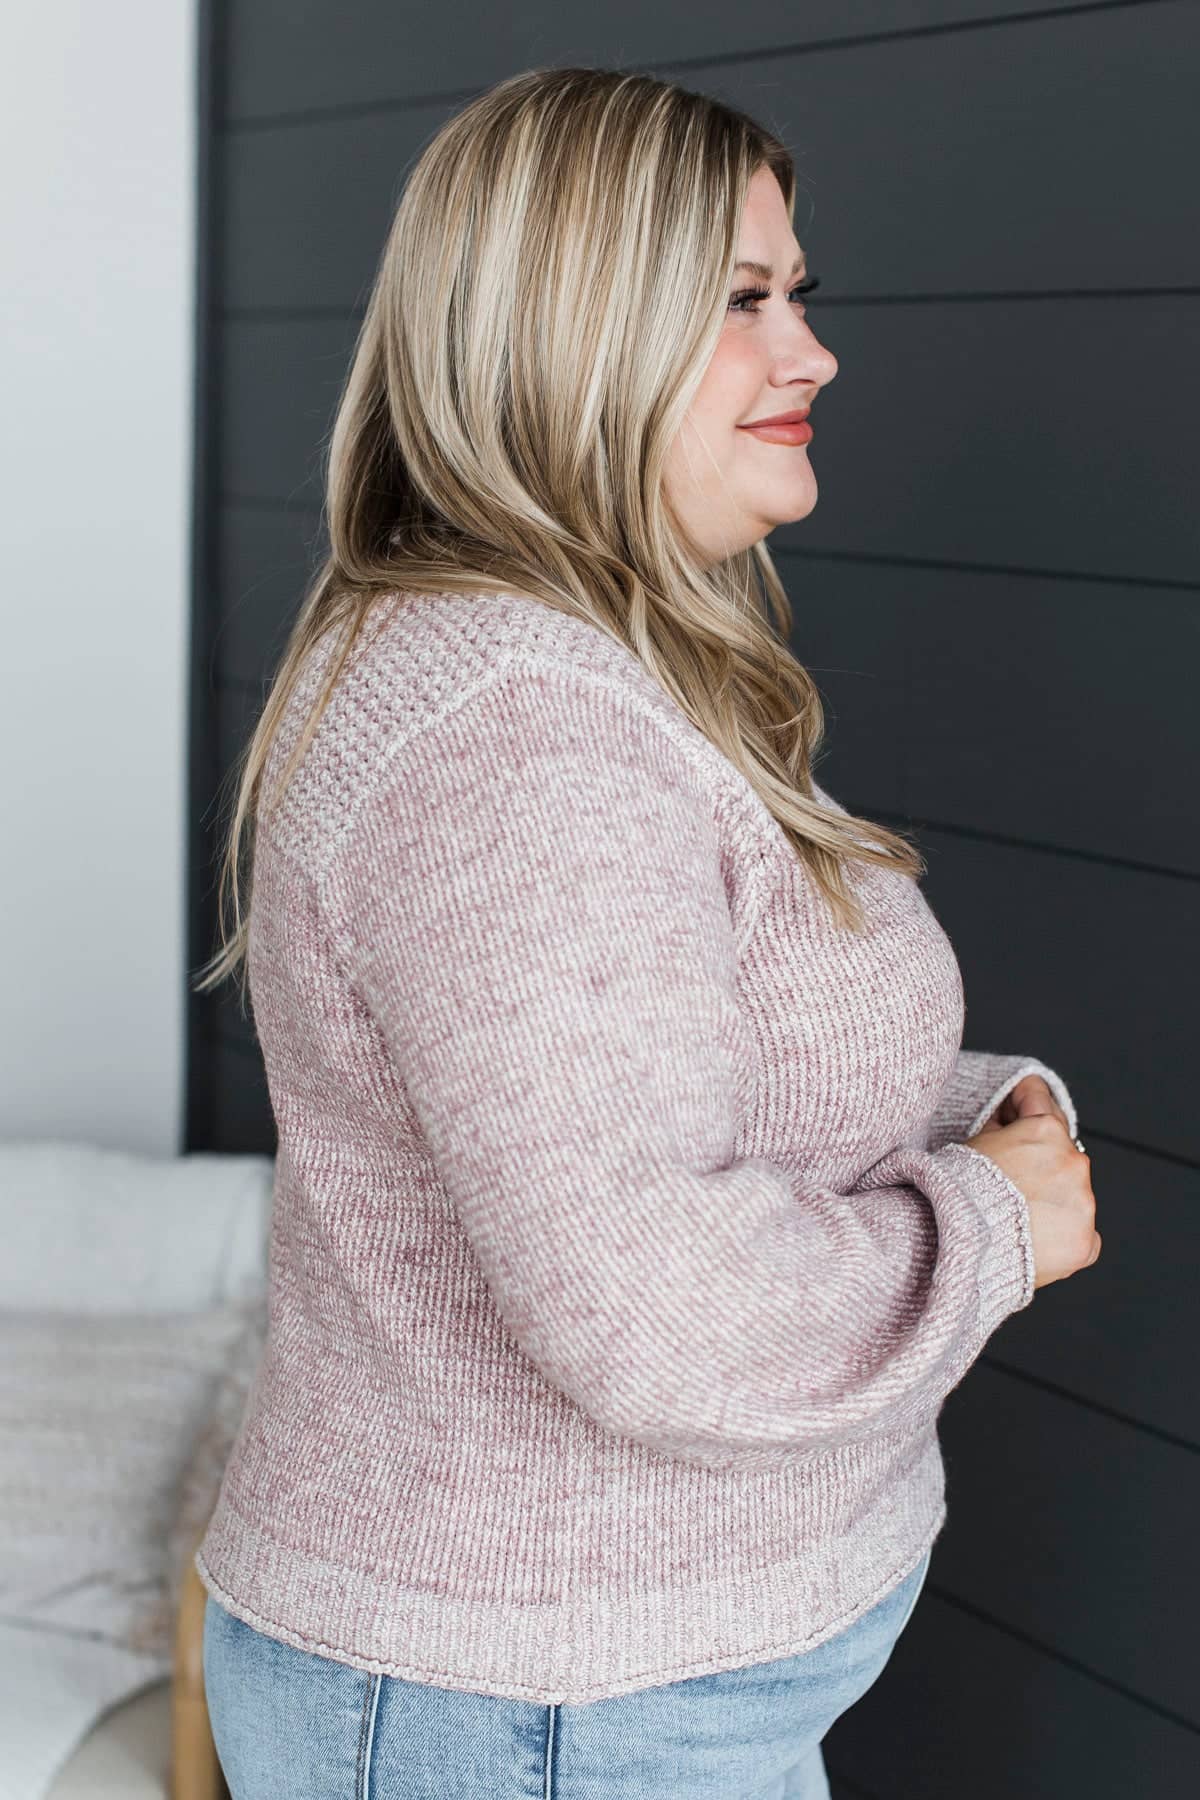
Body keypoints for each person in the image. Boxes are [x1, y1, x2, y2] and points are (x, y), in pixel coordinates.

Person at [192, 65, 1100, 1799]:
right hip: (538, 1713)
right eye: (744, 300)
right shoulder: (518, 729)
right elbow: (653, 1305)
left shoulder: (585, 663)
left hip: (603, 1698)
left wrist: (954, 1115)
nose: (812, 352)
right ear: (574, 329)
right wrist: (988, 1221)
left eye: (798, 293)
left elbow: (639, 1088)